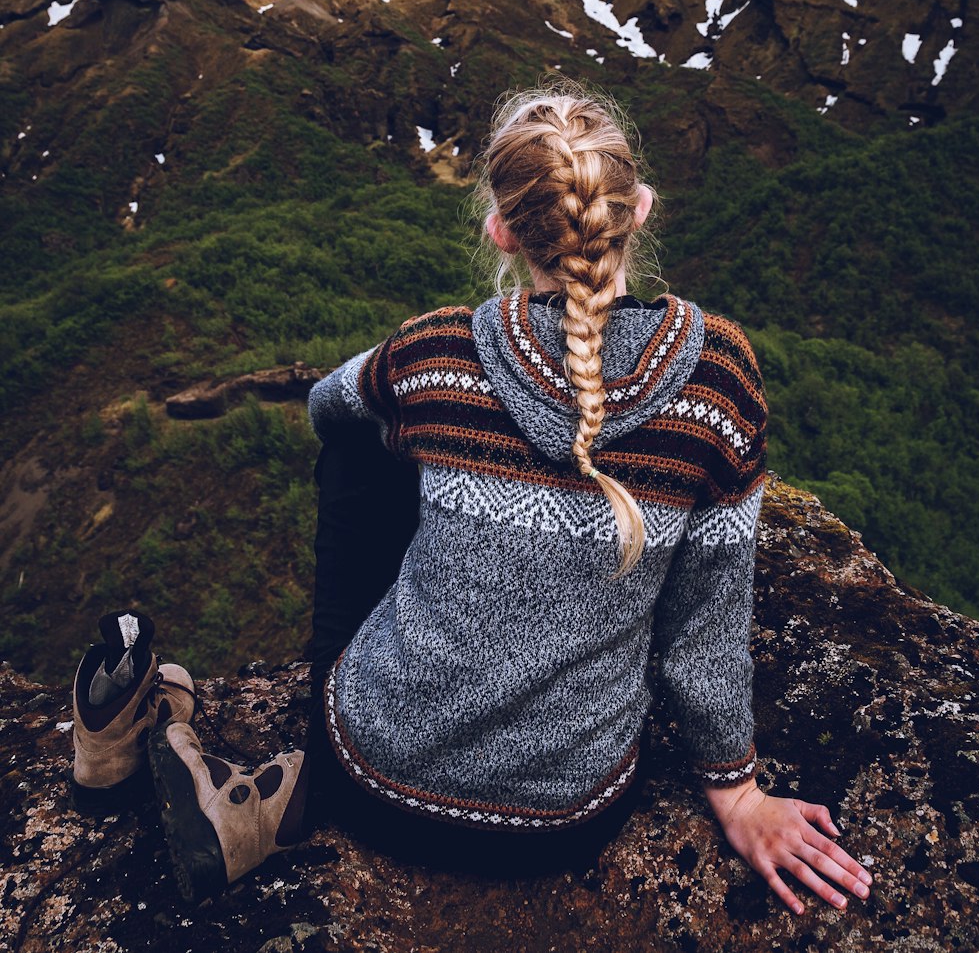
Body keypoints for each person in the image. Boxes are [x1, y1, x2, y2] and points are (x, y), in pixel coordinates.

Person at [71, 82, 874, 916]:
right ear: (639, 209)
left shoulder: (440, 349)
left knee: (360, 447)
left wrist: (432, 430)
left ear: (499, 229)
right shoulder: (719, 376)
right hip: (568, 818)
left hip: (374, 778)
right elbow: (707, 625)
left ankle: (299, 761)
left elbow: (326, 409)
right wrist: (736, 793)